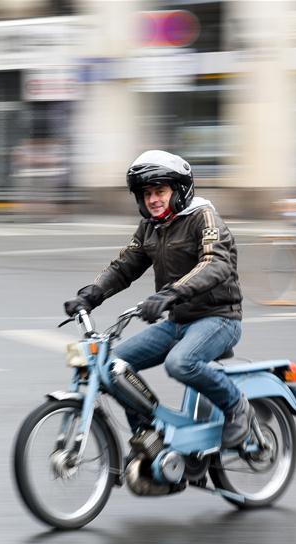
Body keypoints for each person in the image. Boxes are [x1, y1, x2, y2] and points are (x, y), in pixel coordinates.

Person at [63, 150, 251, 448]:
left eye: (160, 191)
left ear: (179, 190)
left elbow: (215, 263)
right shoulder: (151, 226)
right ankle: (148, 439)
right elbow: (125, 265)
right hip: (177, 322)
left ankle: (236, 405)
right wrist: (91, 294)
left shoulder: (203, 217)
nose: (153, 199)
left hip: (218, 319)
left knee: (180, 363)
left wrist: (170, 293)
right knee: (113, 369)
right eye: (147, 193)